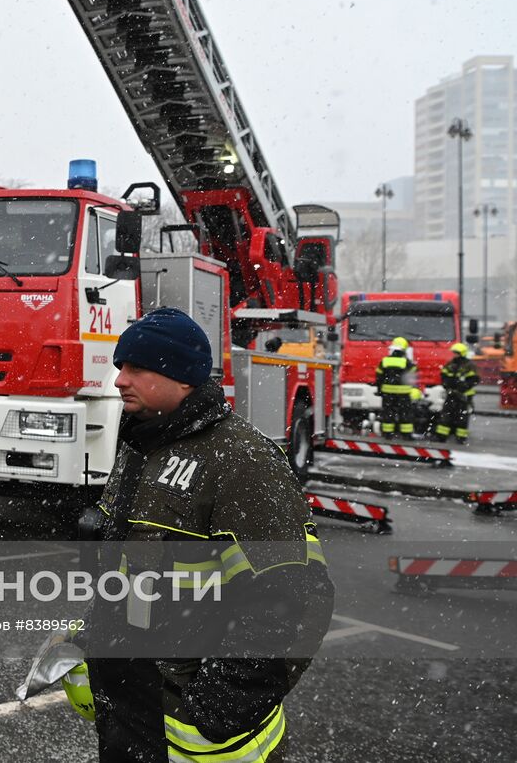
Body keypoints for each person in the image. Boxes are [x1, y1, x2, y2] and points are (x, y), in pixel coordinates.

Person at [65, 307, 333, 762]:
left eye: (136, 368)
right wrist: (95, 635)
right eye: (119, 367)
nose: (118, 381)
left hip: (201, 732)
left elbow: (295, 593)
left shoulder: (242, 460)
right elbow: (130, 566)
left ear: (183, 378)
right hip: (134, 708)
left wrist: (219, 707)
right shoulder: (140, 443)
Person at [435, 342, 480, 443]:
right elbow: (444, 376)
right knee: (446, 416)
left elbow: (474, 379)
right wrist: (447, 385)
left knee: (462, 418)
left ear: (462, 353)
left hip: (464, 396)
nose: (455, 355)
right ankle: (441, 436)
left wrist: (462, 387)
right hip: (451, 394)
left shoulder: (469, 366)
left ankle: (461, 437)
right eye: (454, 353)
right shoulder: (450, 364)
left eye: (457, 353)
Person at [374, 337, 417, 438]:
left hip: (388, 393)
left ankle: (387, 434)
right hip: (404, 393)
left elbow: (379, 377)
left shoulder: (384, 361)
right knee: (405, 413)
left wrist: (379, 389)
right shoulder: (407, 363)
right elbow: (411, 378)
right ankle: (406, 434)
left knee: (388, 413)